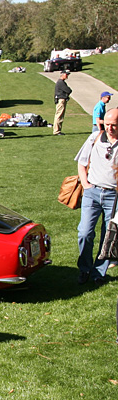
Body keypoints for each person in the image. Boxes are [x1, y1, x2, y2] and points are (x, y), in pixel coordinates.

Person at [75, 108, 118, 285]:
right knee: (85, 232)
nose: (109, 128)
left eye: (114, 125)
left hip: (113, 197)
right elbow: (81, 162)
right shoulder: (94, 138)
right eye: (107, 124)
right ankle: (84, 269)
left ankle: (98, 272)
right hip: (92, 193)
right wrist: (86, 185)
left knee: (108, 236)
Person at [54, 71, 72, 135]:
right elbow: (68, 90)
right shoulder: (61, 82)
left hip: (61, 99)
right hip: (61, 99)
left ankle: (58, 130)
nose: (67, 76)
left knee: (60, 115)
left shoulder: (61, 82)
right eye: (66, 74)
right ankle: (57, 131)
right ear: (62, 75)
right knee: (59, 115)